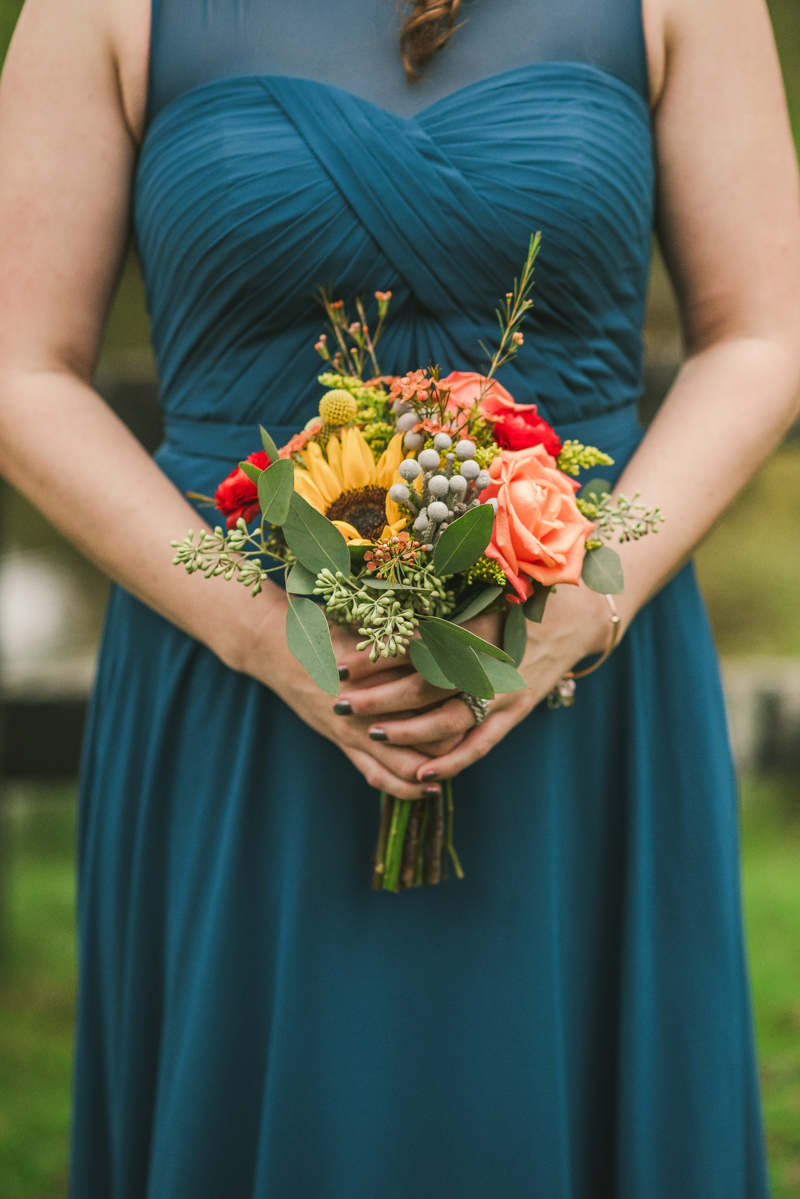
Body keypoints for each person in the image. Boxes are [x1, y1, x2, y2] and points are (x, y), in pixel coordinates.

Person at [0, 0, 798, 1193]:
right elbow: (18, 366)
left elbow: (764, 334)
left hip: (585, 684)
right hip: (240, 694)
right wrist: (255, 626)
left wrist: (587, 587)